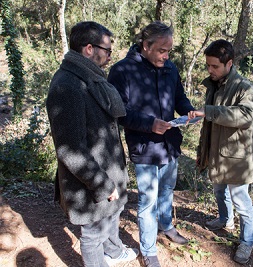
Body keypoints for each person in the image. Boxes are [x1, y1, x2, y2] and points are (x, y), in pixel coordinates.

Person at [46, 21, 138, 267]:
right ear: (88, 49)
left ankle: (115, 253)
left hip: (107, 175)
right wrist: (102, 185)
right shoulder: (67, 86)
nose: (109, 56)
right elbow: (70, 149)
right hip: (90, 184)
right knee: (93, 235)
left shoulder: (90, 78)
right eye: (106, 50)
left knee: (110, 220)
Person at [108, 21, 194, 267]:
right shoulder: (122, 71)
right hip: (145, 147)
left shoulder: (170, 68)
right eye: (162, 51)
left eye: (169, 52)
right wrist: (149, 124)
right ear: (146, 46)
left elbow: (180, 98)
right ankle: (148, 250)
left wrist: (188, 113)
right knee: (148, 200)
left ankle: (166, 225)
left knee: (167, 190)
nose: (166, 56)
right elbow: (118, 111)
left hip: (170, 144)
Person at [188, 39, 253, 264]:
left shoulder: (244, 87)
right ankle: (225, 219)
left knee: (241, 201)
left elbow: (246, 116)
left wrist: (208, 111)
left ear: (229, 63)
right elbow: (209, 125)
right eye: (208, 66)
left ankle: (247, 240)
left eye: (215, 66)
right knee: (219, 191)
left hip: (236, 158)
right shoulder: (214, 84)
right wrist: (202, 150)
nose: (210, 70)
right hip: (216, 153)